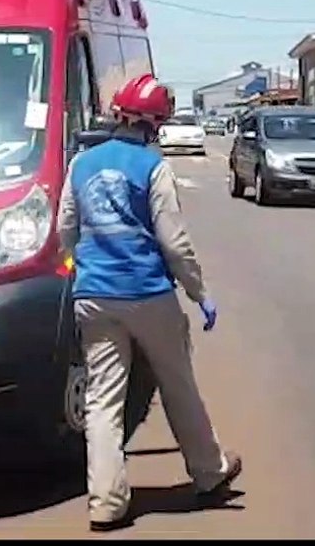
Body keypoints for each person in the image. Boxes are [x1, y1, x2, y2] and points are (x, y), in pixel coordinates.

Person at [58, 73, 241, 532]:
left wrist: (82, 265)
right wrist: (200, 294)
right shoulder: (153, 167)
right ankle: (209, 472)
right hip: (147, 294)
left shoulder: (81, 164)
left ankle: (106, 502)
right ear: (155, 123)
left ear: (118, 115)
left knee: (103, 400)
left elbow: (66, 228)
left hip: (94, 296)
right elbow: (174, 243)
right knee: (178, 384)